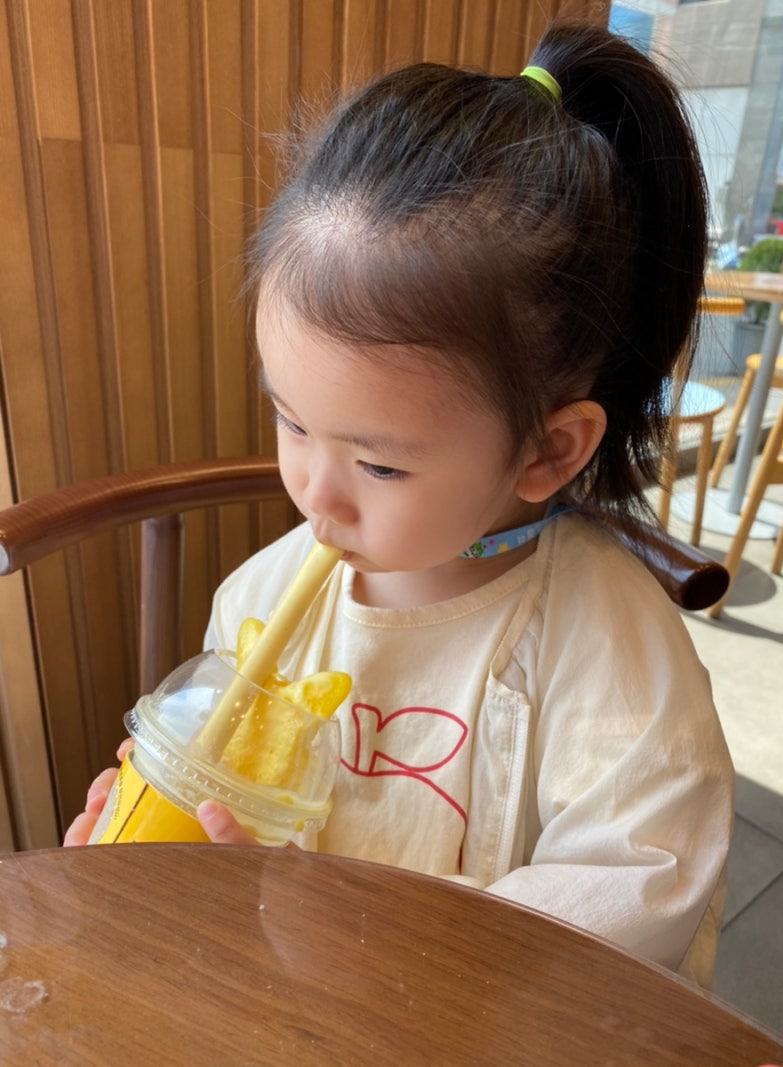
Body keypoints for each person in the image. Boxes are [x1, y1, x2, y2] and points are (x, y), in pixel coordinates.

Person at [65, 20, 734, 988]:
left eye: (378, 465)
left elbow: (634, 898)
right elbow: (234, 836)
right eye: (292, 421)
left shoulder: (606, 648)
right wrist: (168, 847)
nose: (314, 491)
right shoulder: (258, 600)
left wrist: (363, 930)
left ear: (547, 449)